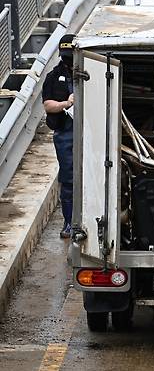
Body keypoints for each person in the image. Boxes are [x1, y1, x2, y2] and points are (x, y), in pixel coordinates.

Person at [42, 34, 75, 238]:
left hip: (90, 130)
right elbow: (48, 105)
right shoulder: (53, 77)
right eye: (66, 57)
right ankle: (69, 222)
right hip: (65, 133)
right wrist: (67, 104)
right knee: (68, 179)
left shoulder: (93, 70)